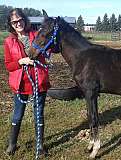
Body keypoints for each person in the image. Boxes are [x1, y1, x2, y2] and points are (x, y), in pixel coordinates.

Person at [3, 8, 50, 156]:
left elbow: (46, 51)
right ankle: (12, 144)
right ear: (11, 24)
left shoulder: (36, 35)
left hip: (38, 81)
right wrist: (21, 61)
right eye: (14, 22)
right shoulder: (8, 42)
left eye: (20, 20)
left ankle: (40, 146)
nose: (18, 23)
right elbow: (9, 65)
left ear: (24, 20)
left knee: (38, 114)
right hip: (20, 84)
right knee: (17, 115)